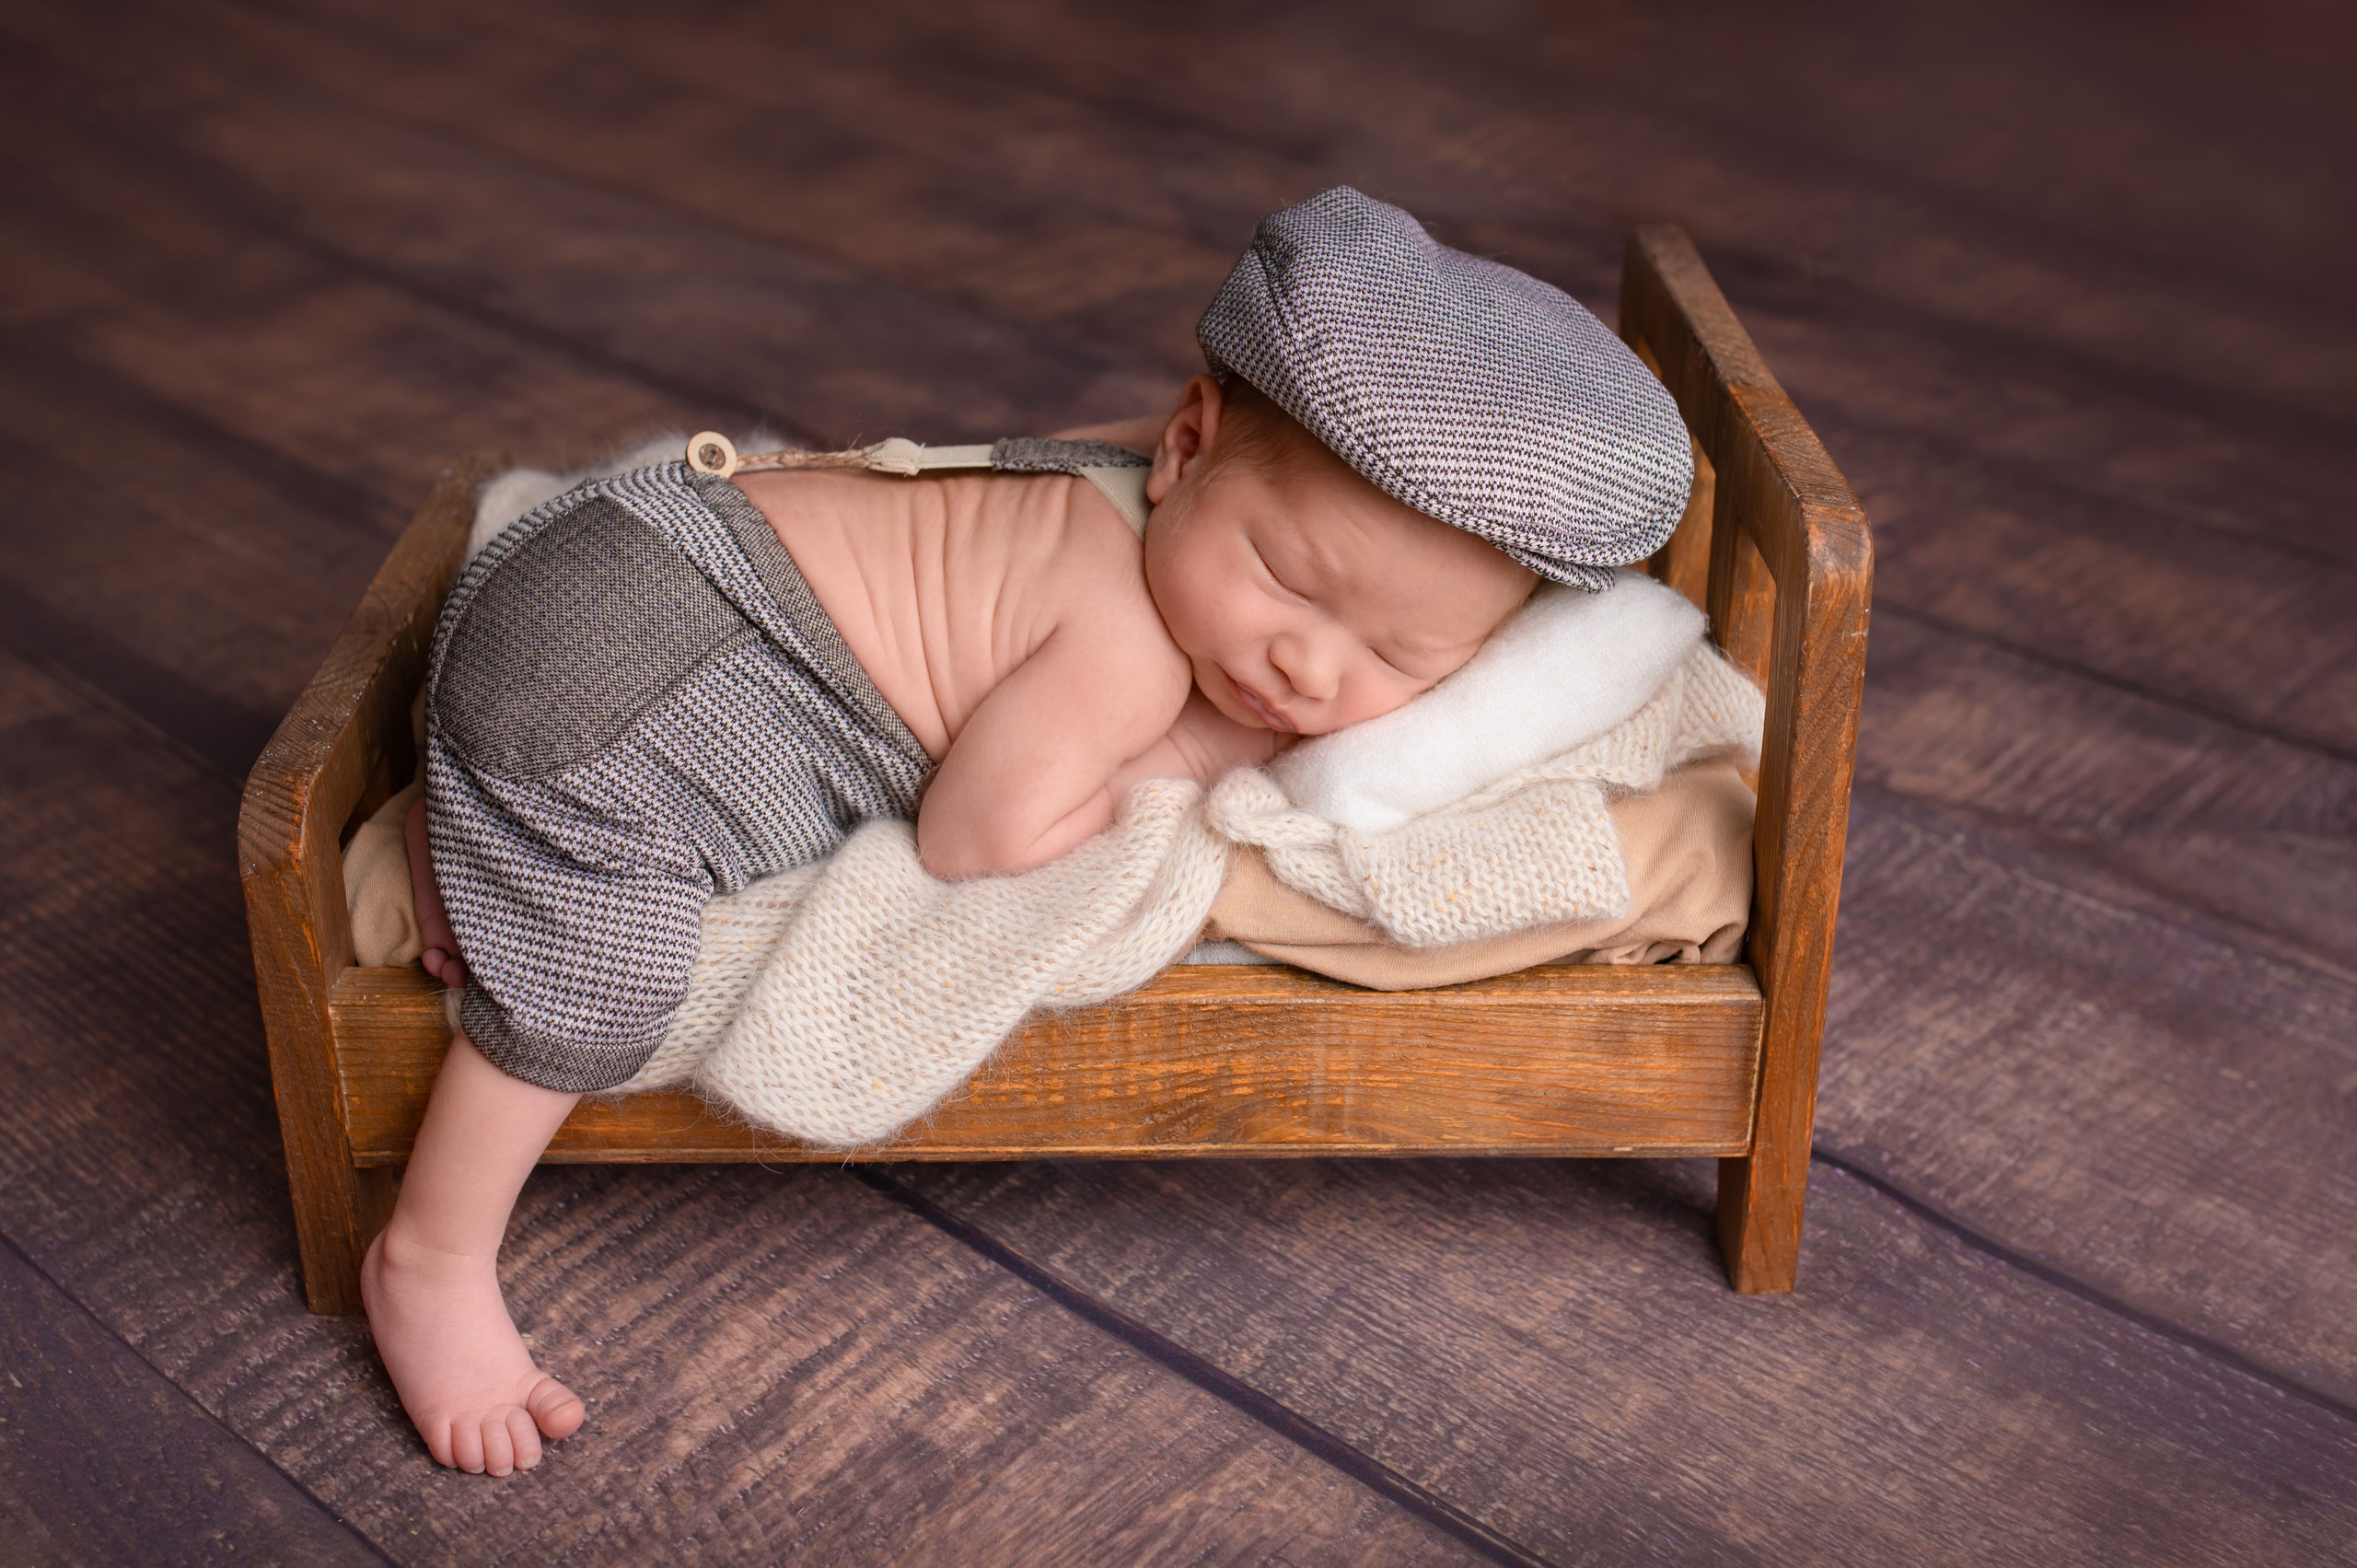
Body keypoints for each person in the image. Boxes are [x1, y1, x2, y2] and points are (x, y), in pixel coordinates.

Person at [364, 187, 1695, 1474]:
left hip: (603, 561)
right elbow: (974, 842)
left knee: (606, 778)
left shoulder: (1127, 476)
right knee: (608, 984)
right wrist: (1187, 747)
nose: (1304, 671)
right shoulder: (1119, 646)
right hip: (656, 659)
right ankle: (429, 1253)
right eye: (1287, 581)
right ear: (1182, 449)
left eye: (1398, 657)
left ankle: (471, 814)